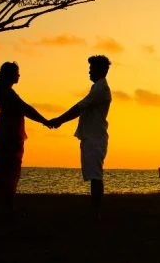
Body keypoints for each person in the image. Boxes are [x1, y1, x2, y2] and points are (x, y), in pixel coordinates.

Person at [49, 55, 112, 220]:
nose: (89, 72)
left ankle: (95, 212)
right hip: (92, 136)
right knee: (94, 175)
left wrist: (59, 120)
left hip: (95, 137)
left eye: (92, 69)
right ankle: (94, 211)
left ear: (101, 70)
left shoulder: (100, 89)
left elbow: (79, 107)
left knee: (96, 176)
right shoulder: (97, 88)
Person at [0, 62, 51, 211]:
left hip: (7, 133)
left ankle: (0, 201)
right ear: (10, 75)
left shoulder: (3, 91)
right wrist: (45, 121)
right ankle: (6, 204)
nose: (19, 75)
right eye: (17, 73)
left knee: (5, 167)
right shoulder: (8, 93)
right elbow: (26, 108)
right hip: (10, 134)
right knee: (10, 169)